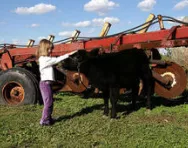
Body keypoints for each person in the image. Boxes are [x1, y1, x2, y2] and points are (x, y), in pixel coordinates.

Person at [36, 39, 77, 126]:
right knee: (48, 103)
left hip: (47, 84)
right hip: (45, 84)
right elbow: (57, 59)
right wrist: (68, 54)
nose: (51, 51)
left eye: (51, 49)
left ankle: (48, 118)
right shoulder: (44, 59)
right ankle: (44, 121)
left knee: (50, 102)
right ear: (44, 49)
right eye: (49, 49)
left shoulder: (46, 59)